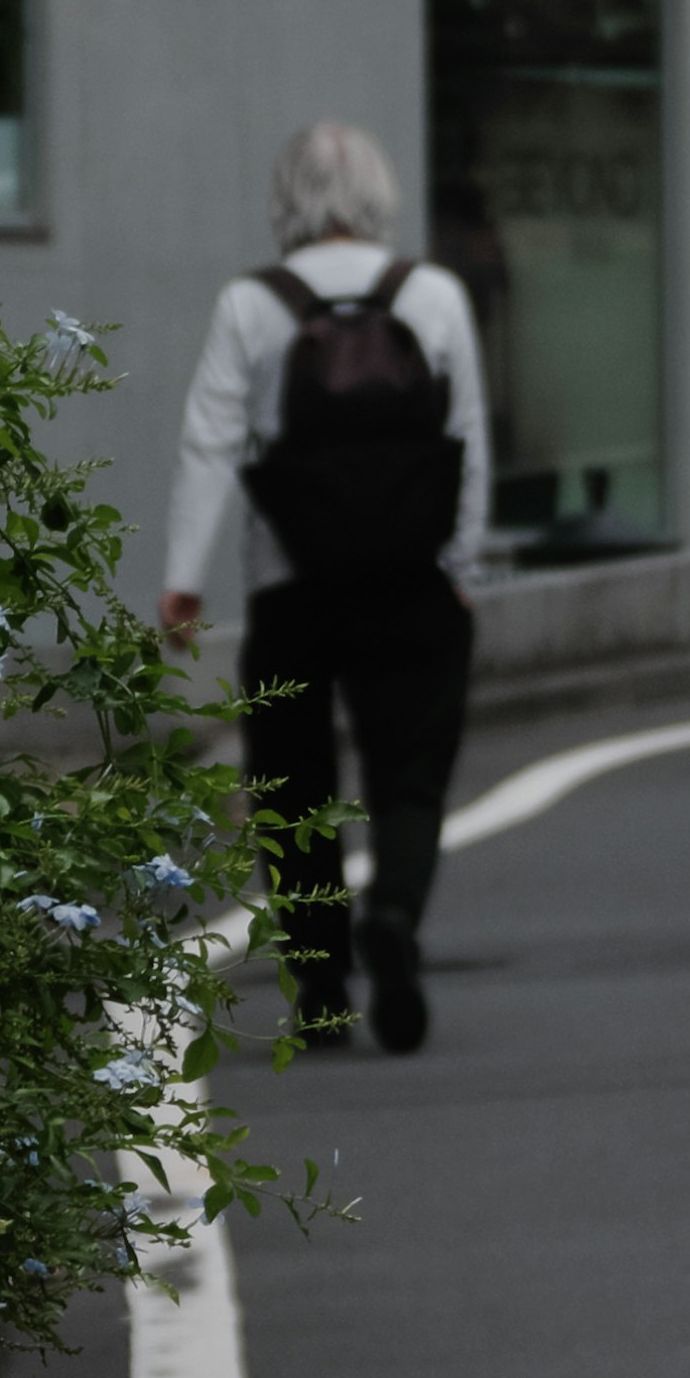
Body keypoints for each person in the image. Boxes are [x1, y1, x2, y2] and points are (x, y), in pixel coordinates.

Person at [162, 122, 490, 1051]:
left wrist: (184, 580)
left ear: (286, 199)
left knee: (293, 789)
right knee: (411, 774)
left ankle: (323, 994)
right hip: (415, 580)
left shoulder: (250, 304)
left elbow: (210, 443)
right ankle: (393, 915)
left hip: (292, 585)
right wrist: (461, 564)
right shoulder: (432, 294)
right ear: (380, 195)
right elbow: (466, 437)